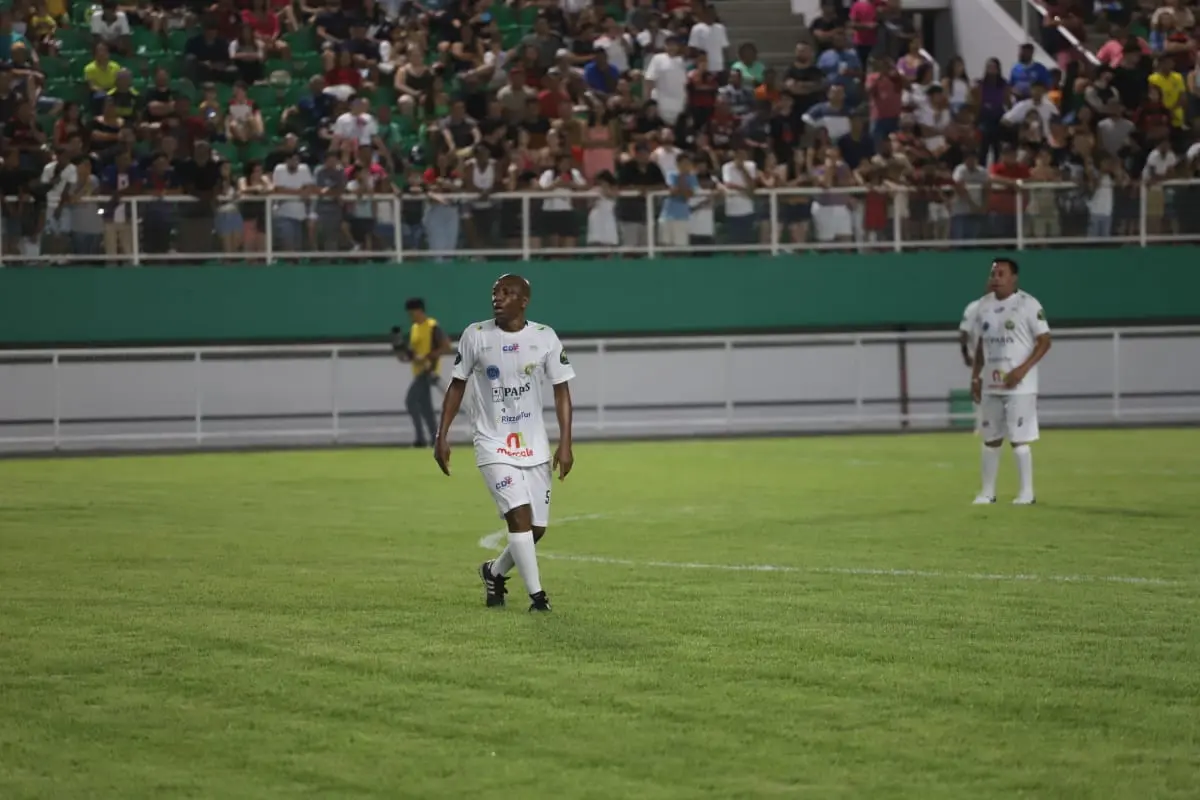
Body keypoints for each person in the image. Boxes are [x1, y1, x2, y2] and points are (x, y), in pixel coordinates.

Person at [433, 274, 575, 613]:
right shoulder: (475, 335)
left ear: (524, 301)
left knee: (535, 529)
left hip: (535, 445)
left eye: (507, 293)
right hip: (492, 442)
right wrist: (442, 435)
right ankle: (538, 598)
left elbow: (562, 391)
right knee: (519, 517)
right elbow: (457, 384)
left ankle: (493, 572)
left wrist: (566, 443)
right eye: (495, 292)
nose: (497, 297)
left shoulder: (545, 337)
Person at [969, 258, 1053, 505]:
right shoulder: (983, 305)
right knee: (990, 439)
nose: (995, 278)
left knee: (1019, 439)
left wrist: (1022, 370)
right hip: (991, 384)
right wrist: (976, 376)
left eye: (1001, 274)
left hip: (1020, 387)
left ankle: (1026, 493)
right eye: (993, 273)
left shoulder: (1028, 304)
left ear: (1014, 278)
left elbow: (1045, 341)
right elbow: (981, 344)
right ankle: (987, 493)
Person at [396, 297, 450, 448]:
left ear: (419, 311)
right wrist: (405, 356)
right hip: (418, 371)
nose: (410, 316)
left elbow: (446, 346)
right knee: (425, 407)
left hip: (428, 371)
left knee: (411, 401)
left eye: (412, 313)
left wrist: (428, 357)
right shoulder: (414, 328)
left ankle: (420, 439)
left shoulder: (432, 326)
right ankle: (436, 439)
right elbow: (414, 352)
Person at [958, 281, 990, 434]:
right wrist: (965, 354)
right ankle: (981, 427)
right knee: (980, 393)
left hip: (1002, 359)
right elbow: (964, 332)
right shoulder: (974, 308)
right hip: (980, 360)